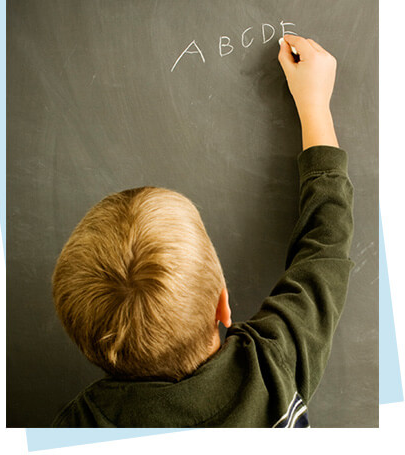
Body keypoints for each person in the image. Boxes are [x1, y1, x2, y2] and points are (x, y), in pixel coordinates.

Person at [51, 34, 354, 428]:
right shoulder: (270, 370)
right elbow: (325, 245)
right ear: (222, 306)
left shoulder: (79, 426)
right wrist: (314, 105)